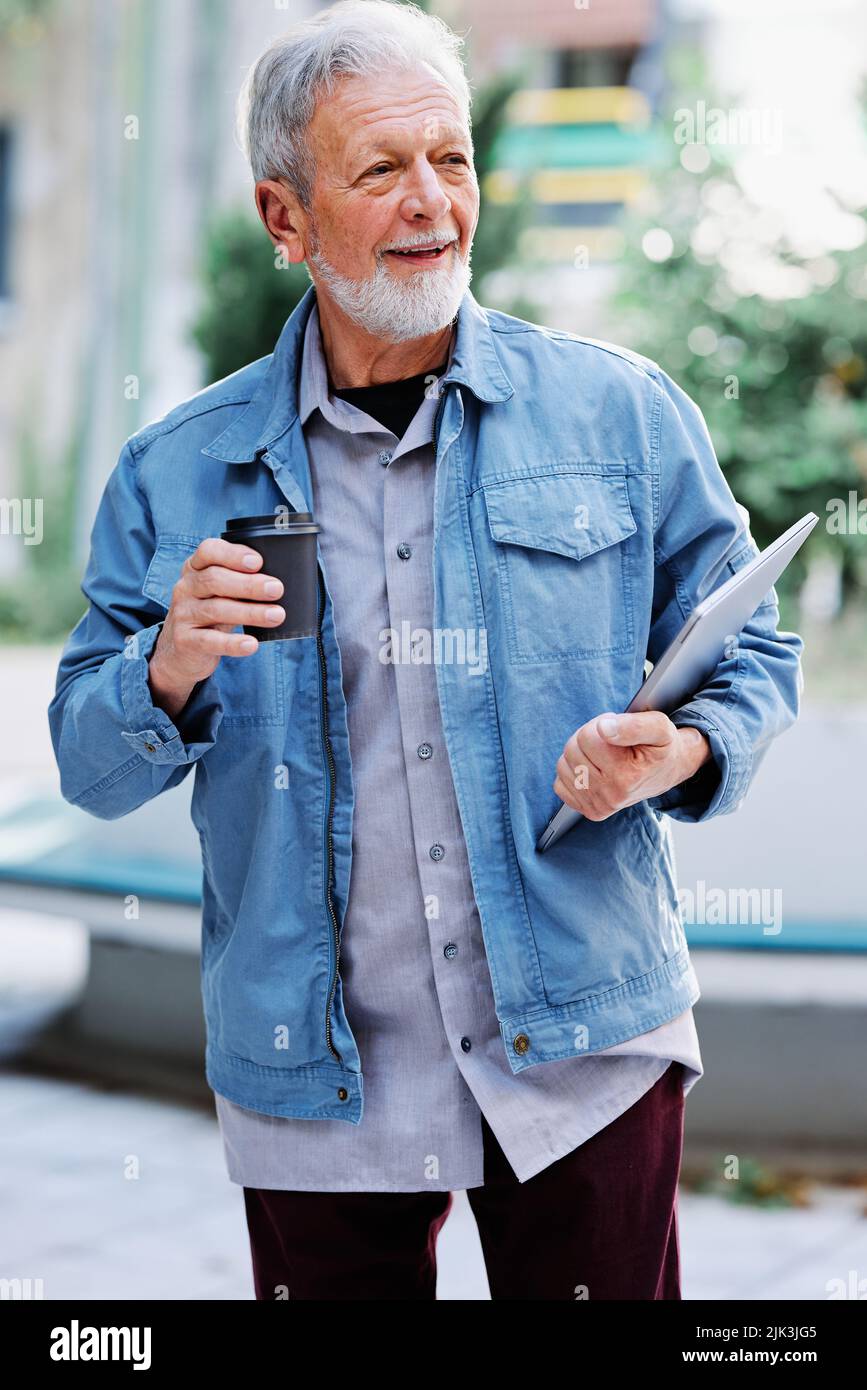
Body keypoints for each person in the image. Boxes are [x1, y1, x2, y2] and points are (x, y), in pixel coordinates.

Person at [48, 0, 804, 1300]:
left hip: (581, 1041)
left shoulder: (619, 412)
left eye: (450, 158)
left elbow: (758, 654)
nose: (433, 202)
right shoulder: (180, 472)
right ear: (285, 218)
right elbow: (85, 759)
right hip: (317, 1067)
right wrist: (165, 667)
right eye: (381, 169)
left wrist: (677, 747)